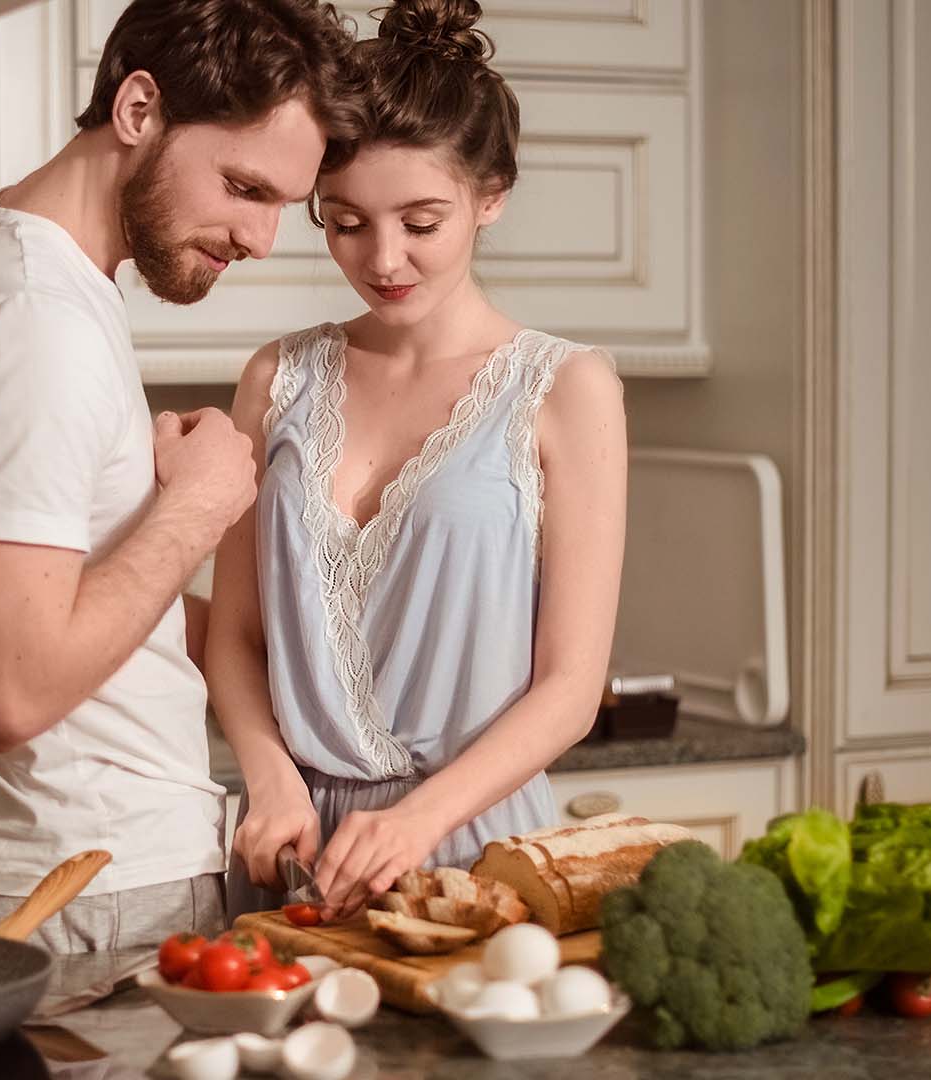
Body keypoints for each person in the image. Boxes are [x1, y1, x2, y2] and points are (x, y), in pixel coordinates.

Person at [0, 0, 359, 952]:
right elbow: (10, 692)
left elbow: (72, 605)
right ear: (138, 108)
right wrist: (196, 509)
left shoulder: (12, 272)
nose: (260, 239)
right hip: (90, 895)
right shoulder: (30, 317)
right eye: (243, 187)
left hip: (67, 880)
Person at [206, 0, 629, 922]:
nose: (382, 258)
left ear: (492, 194)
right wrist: (270, 778)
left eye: (421, 221)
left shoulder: (567, 387)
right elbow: (235, 637)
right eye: (346, 221)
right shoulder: (276, 377)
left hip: (476, 849)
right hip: (293, 851)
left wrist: (415, 821)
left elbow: (570, 690)